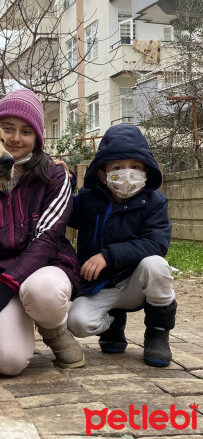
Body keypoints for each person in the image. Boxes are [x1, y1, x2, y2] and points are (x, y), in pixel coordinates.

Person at [0, 89, 84, 375]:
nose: (15, 138)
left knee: (44, 292)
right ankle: (15, 322)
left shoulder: (54, 176)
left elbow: (48, 239)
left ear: (37, 138)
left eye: (26, 131)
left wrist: (3, 290)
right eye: (6, 129)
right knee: (6, 362)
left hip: (45, 269)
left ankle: (54, 330)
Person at [67, 124, 176, 367]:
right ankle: (113, 322)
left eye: (135, 167)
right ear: (103, 174)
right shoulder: (88, 199)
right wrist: (65, 182)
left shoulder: (154, 202)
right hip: (100, 285)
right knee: (77, 322)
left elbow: (156, 243)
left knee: (157, 265)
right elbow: (64, 213)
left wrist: (108, 255)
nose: (127, 174)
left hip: (136, 282)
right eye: (117, 167)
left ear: (146, 171)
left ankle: (158, 330)